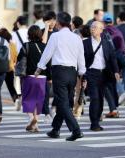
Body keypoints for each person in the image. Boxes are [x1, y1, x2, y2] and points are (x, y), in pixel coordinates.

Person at [35, 12, 86, 141]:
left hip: (60, 72)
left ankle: (76, 130)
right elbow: (81, 57)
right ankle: (55, 129)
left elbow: (47, 53)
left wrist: (39, 68)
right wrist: (82, 74)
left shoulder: (56, 36)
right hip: (73, 73)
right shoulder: (77, 38)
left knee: (63, 103)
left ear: (58, 23)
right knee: (65, 101)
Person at [84, 21, 119, 131]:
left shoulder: (106, 42)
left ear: (101, 30)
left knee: (100, 98)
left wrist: (116, 71)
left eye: (95, 27)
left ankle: (97, 119)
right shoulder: (85, 43)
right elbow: (81, 59)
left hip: (104, 73)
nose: (93, 29)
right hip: (91, 73)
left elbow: (112, 57)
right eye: (92, 27)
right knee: (94, 98)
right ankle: (94, 123)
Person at [17, 25, 50, 132]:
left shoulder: (26, 46)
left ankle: (32, 118)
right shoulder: (45, 47)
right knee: (38, 101)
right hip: (42, 77)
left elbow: (20, 59)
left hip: (29, 76)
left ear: (29, 35)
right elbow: (49, 62)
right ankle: (36, 125)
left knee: (27, 99)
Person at [103, 13, 125, 117]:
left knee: (106, 86)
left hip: (107, 63)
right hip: (117, 62)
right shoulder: (118, 31)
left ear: (103, 23)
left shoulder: (104, 32)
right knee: (112, 85)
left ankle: (113, 109)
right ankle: (115, 108)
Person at [41, 11, 57, 123]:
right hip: (45, 66)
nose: (52, 23)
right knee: (46, 91)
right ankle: (46, 113)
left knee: (58, 90)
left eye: (54, 20)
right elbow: (43, 43)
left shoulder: (58, 33)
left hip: (56, 65)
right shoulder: (42, 32)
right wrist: (46, 28)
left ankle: (54, 107)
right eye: (49, 20)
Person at [0, 28, 20, 108]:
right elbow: (16, 56)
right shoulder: (13, 45)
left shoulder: (0, 44)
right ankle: (16, 99)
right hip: (10, 68)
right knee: (11, 86)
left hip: (0, 68)